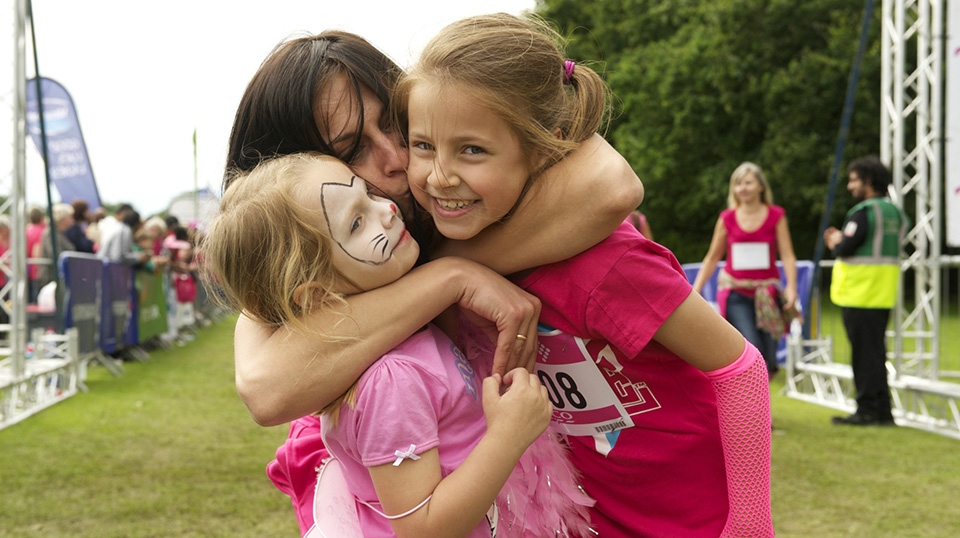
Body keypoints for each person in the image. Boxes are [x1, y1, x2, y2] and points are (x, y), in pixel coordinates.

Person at [396, 13, 773, 537]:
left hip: (698, 523)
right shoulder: (449, 260)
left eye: (472, 149)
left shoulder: (609, 265)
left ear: (545, 145)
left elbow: (739, 369)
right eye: (422, 146)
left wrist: (751, 525)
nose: (439, 176)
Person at [224, 29, 643, 425]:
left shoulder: (457, 195)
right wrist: (450, 278)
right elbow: (266, 389)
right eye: (351, 150)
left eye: (394, 122)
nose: (398, 158)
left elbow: (612, 185)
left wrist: (449, 264)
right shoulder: (292, 262)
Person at [204, 153, 595, 537]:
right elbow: (421, 527)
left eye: (369, 194)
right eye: (357, 222)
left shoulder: (409, 333)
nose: (387, 210)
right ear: (317, 296)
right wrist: (507, 436)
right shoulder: (392, 379)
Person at [692, 162, 799, 379]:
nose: (743, 188)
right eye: (738, 184)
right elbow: (713, 257)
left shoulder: (776, 215)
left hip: (767, 294)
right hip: (736, 293)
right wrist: (696, 289)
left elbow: (787, 255)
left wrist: (792, 288)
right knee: (753, 348)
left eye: (748, 182)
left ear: (761, 186)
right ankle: (753, 406)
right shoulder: (727, 218)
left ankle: (760, 404)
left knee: (769, 355)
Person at [824, 155, 907, 426]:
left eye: (854, 180)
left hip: (859, 294)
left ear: (868, 181)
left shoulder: (864, 212)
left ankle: (867, 410)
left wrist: (836, 241)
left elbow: (845, 248)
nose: (850, 186)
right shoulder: (895, 213)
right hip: (882, 293)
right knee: (876, 354)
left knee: (864, 356)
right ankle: (883, 410)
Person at [37, 203, 78, 292]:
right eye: (70, 217)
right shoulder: (51, 233)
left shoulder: (58, 233)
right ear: (62, 218)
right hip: (52, 280)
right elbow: (55, 254)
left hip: (57, 279)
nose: (72, 220)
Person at [25, 205, 46, 302]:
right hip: (35, 270)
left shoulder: (26, 230)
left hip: (26, 269)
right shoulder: (41, 231)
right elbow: (36, 254)